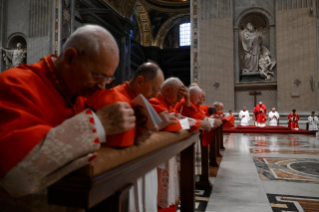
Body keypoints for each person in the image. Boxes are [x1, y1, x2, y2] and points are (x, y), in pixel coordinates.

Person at [0, 25, 136, 210]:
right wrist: (97, 124)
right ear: (71, 58)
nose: (101, 87)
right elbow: (16, 178)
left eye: (108, 80)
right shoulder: (15, 84)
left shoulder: (79, 93)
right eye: (97, 76)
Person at [85, 62, 168, 212]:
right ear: (140, 81)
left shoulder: (140, 99)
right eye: (155, 89)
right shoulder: (115, 97)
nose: (156, 95)